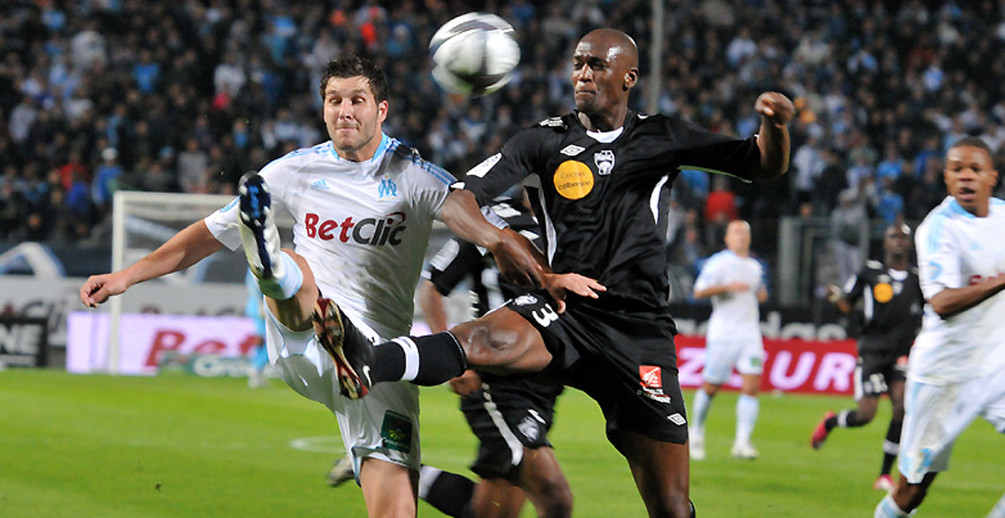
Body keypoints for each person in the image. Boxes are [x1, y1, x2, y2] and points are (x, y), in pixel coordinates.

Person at [315, 29, 794, 518]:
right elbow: (458, 199)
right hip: (567, 305)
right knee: (484, 339)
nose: (583, 74)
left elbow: (761, 163)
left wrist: (775, 126)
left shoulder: (662, 137)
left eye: (596, 65)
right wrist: (498, 239)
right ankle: (366, 357)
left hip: (639, 331)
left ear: (628, 77)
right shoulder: (544, 140)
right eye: (578, 63)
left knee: (671, 507)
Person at [80, 55, 480, 518]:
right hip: (308, 336)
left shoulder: (416, 176)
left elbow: (478, 223)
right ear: (323, 108)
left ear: (381, 109)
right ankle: (271, 267)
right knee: (294, 270)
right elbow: (207, 235)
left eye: (356, 100)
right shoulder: (295, 169)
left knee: (395, 510)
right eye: (334, 100)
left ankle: (277, 269)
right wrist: (126, 275)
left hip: (376, 364)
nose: (344, 110)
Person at [418, 190, 571, 518]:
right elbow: (431, 288)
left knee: (495, 514)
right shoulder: (490, 220)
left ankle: (387, 467)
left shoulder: (569, 225)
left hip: (544, 383)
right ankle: (385, 467)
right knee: (556, 498)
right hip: (497, 380)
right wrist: (456, 364)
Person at [874, 136, 1005, 518]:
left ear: (991, 176)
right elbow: (942, 302)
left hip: (996, 365)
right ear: (946, 177)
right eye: (957, 169)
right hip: (944, 372)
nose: (966, 177)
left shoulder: (1003, 216)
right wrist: (999, 280)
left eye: (975, 170)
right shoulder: (937, 228)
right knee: (913, 489)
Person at [811, 223, 923, 492]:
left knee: (901, 407)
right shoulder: (869, 271)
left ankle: (884, 475)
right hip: (872, 351)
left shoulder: (919, 278)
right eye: (892, 237)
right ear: (885, 243)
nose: (898, 241)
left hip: (901, 354)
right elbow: (847, 302)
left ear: (909, 244)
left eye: (903, 237)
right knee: (866, 415)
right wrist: (836, 297)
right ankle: (830, 422)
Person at [688, 219, 767, 461]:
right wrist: (727, 287)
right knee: (711, 386)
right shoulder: (718, 262)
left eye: (745, 232)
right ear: (727, 238)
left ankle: (742, 442)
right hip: (724, 334)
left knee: (752, 386)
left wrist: (760, 293)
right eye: (736, 232)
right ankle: (696, 433)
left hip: (750, 334)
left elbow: (759, 293)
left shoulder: (754, 266)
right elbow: (699, 291)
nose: (741, 236)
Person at [244, 268, 270, 389]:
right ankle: (256, 368)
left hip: (257, 306)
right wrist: (260, 303)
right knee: (266, 340)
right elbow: (256, 287)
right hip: (261, 307)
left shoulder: (252, 266)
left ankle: (256, 369)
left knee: (264, 340)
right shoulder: (258, 264)